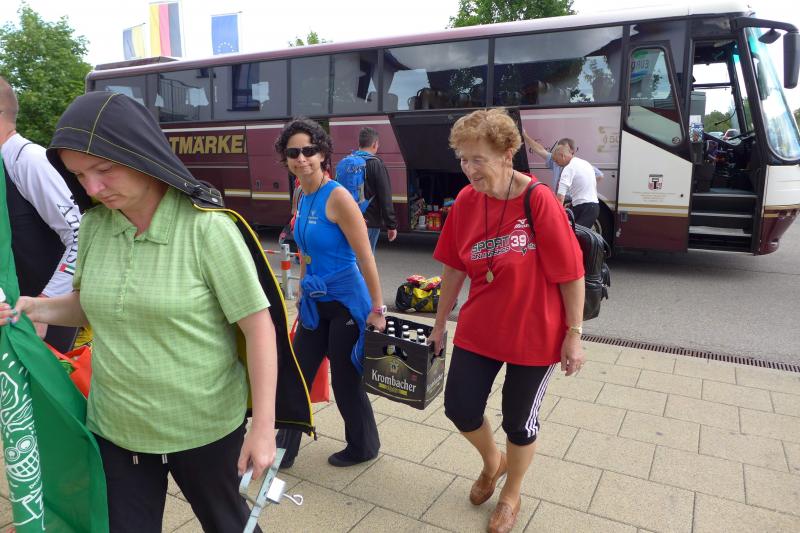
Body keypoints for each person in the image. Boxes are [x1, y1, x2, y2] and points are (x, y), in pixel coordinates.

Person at [0, 91, 311, 532]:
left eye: (103, 170)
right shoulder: (95, 227)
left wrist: (263, 426)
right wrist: (33, 307)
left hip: (203, 427)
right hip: (117, 428)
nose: (92, 188)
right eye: (80, 175)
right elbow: (92, 305)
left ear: (139, 154)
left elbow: (258, 328)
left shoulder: (207, 229)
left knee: (230, 524)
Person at [429, 108, 586, 533]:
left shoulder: (538, 200)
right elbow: (453, 268)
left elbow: (571, 273)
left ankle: (511, 493)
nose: (469, 169)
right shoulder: (466, 201)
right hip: (480, 328)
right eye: (463, 159)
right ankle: (492, 462)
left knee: (519, 420)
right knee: (460, 408)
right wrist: (440, 324)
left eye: (477, 159)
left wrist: (574, 334)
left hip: (535, 333)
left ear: (506, 154)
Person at [274, 118, 386, 468]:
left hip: (346, 303)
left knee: (346, 380)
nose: (301, 158)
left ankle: (364, 446)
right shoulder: (301, 194)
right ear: (285, 158)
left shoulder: (338, 197)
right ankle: (283, 450)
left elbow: (365, 256)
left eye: (308, 150)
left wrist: (378, 308)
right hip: (315, 301)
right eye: (293, 152)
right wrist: (302, 286)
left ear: (322, 154)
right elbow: (306, 249)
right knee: (296, 375)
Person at [0, 76, 81, 352]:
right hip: (11, 314)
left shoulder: (28, 159)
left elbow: (80, 236)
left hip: (42, 321)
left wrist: (45, 305)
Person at [352, 127, 397, 251]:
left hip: (348, 219)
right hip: (369, 221)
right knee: (366, 257)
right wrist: (391, 225)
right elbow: (385, 196)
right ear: (375, 144)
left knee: (352, 256)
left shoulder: (347, 162)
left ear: (359, 143)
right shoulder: (376, 164)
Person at [523, 131, 603, 189]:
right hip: (560, 199)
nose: (561, 154)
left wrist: (580, 188)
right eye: (559, 150)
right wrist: (525, 135)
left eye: (564, 150)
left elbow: (599, 175)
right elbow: (540, 149)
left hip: (572, 200)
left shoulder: (579, 164)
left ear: (572, 151)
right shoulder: (556, 160)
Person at [552, 144, 601, 228]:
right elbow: (585, 187)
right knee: (574, 233)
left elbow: (560, 198)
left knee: (573, 234)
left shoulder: (568, 168)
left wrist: (555, 216)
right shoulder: (585, 163)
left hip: (584, 208)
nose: (556, 164)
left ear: (562, 156)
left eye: (556, 161)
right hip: (593, 207)